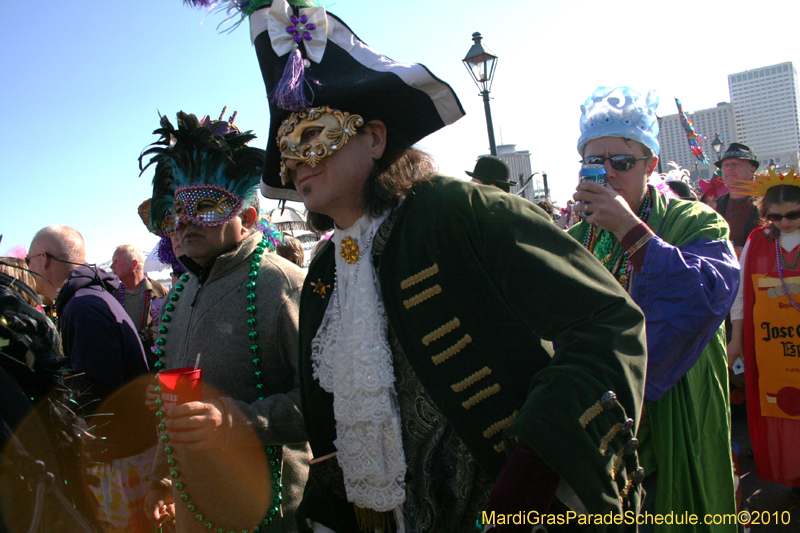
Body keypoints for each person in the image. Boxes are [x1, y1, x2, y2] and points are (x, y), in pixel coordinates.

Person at [235, 2, 648, 530]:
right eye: (284, 148)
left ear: (376, 138)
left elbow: (607, 322)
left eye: (310, 135)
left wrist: (537, 468)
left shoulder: (458, 211)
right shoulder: (324, 274)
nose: (293, 159)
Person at [569, 86, 740, 532]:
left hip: (676, 403)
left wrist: (628, 227)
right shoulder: (573, 241)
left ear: (651, 165)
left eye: (622, 162)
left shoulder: (695, 220)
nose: (608, 171)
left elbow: (704, 296)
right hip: (604, 415)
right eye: (595, 162)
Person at [140, 111, 309, 533]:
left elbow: (329, 404)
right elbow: (179, 409)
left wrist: (233, 421)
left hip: (269, 513)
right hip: (193, 510)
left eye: (205, 205)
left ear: (248, 218)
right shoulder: (181, 292)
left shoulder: (284, 284)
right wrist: (162, 479)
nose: (184, 221)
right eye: (174, 209)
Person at [26, 225, 156, 532]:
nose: (28, 269)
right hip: (127, 448)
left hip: (121, 457)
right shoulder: (87, 297)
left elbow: (96, 391)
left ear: (44, 260)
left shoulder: (83, 305)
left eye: (30, 261)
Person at [727, 168, 800, 499]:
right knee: (780, 408)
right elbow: (741, 295)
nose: (784, 222)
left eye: (793, 215)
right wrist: (736, 338)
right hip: (771, 347)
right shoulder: (757, 241)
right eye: (775, 216)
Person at [111, 245, 168, 361]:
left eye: (116, 262)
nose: (112, 266)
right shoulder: (112, 297)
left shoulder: (160, 292)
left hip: (154, 363)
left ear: (134, 264)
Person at [715, 143, 761, 257]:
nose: (729, 168)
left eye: (736, 164)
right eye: (725, 165)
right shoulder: (718, 205)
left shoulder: (766, 202)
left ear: (752, 170)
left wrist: (747, 252)